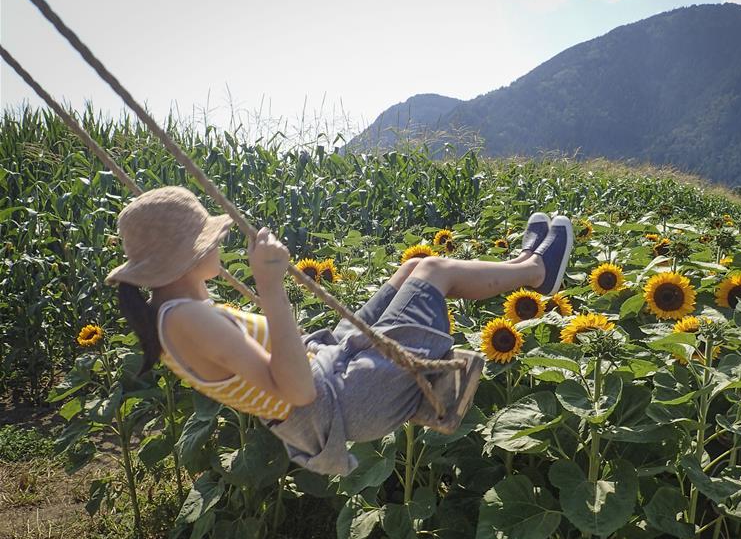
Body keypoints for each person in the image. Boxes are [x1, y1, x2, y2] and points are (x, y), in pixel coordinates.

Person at [104, 186, 573, 475]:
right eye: (210, 237)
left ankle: (514, 265)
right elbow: (296, 392)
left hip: (331, 365)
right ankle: (536, 271)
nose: (221, 242)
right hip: (342, 400)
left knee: (411, 268)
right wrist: (270, 287)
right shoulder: (188, 319)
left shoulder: (171, 309)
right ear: (186, 255)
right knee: (432, 271)